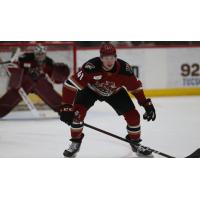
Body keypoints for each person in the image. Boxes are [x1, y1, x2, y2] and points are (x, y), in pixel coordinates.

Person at [60, 43, 156, 157]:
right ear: (101, 58)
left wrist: (146, 103)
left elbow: (136, 88)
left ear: (116, 57)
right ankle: (75, 143)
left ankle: (135, 143)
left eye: (111, 58)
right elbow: (70, 84)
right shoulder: (91, 67)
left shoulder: (125, 70)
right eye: (106, 58)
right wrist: (66, 106)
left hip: (115, 92)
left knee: (134, 116)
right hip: (90, 90)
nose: (109, 61)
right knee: (77, 114)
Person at [0, 45, 70, 118]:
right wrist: (14, 64)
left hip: (38, 83)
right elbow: (14, 66)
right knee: (12, 96)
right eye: (38, 54)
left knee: (47, 90)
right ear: (35, 53)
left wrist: (60, 74)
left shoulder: (48, 62)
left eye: (42, 54)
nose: (40, 56)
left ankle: (64, 109)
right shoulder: (26, 57)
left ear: (45, 54)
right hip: (24, 83)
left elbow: (53, 78)